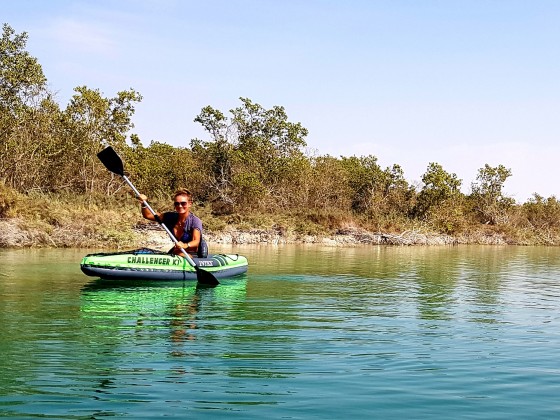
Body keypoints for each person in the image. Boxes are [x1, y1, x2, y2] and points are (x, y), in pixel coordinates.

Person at [138, 188, 206, 256]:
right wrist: (144, 204)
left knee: (179, 253)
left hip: (192, 254)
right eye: (177, 204)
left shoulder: (195, 221)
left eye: (183, 203)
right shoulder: (169, 217)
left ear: (190, 204)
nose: (180, 206)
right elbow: (148, 215)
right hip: (176, 251)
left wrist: (185, 245)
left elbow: (196, 241)